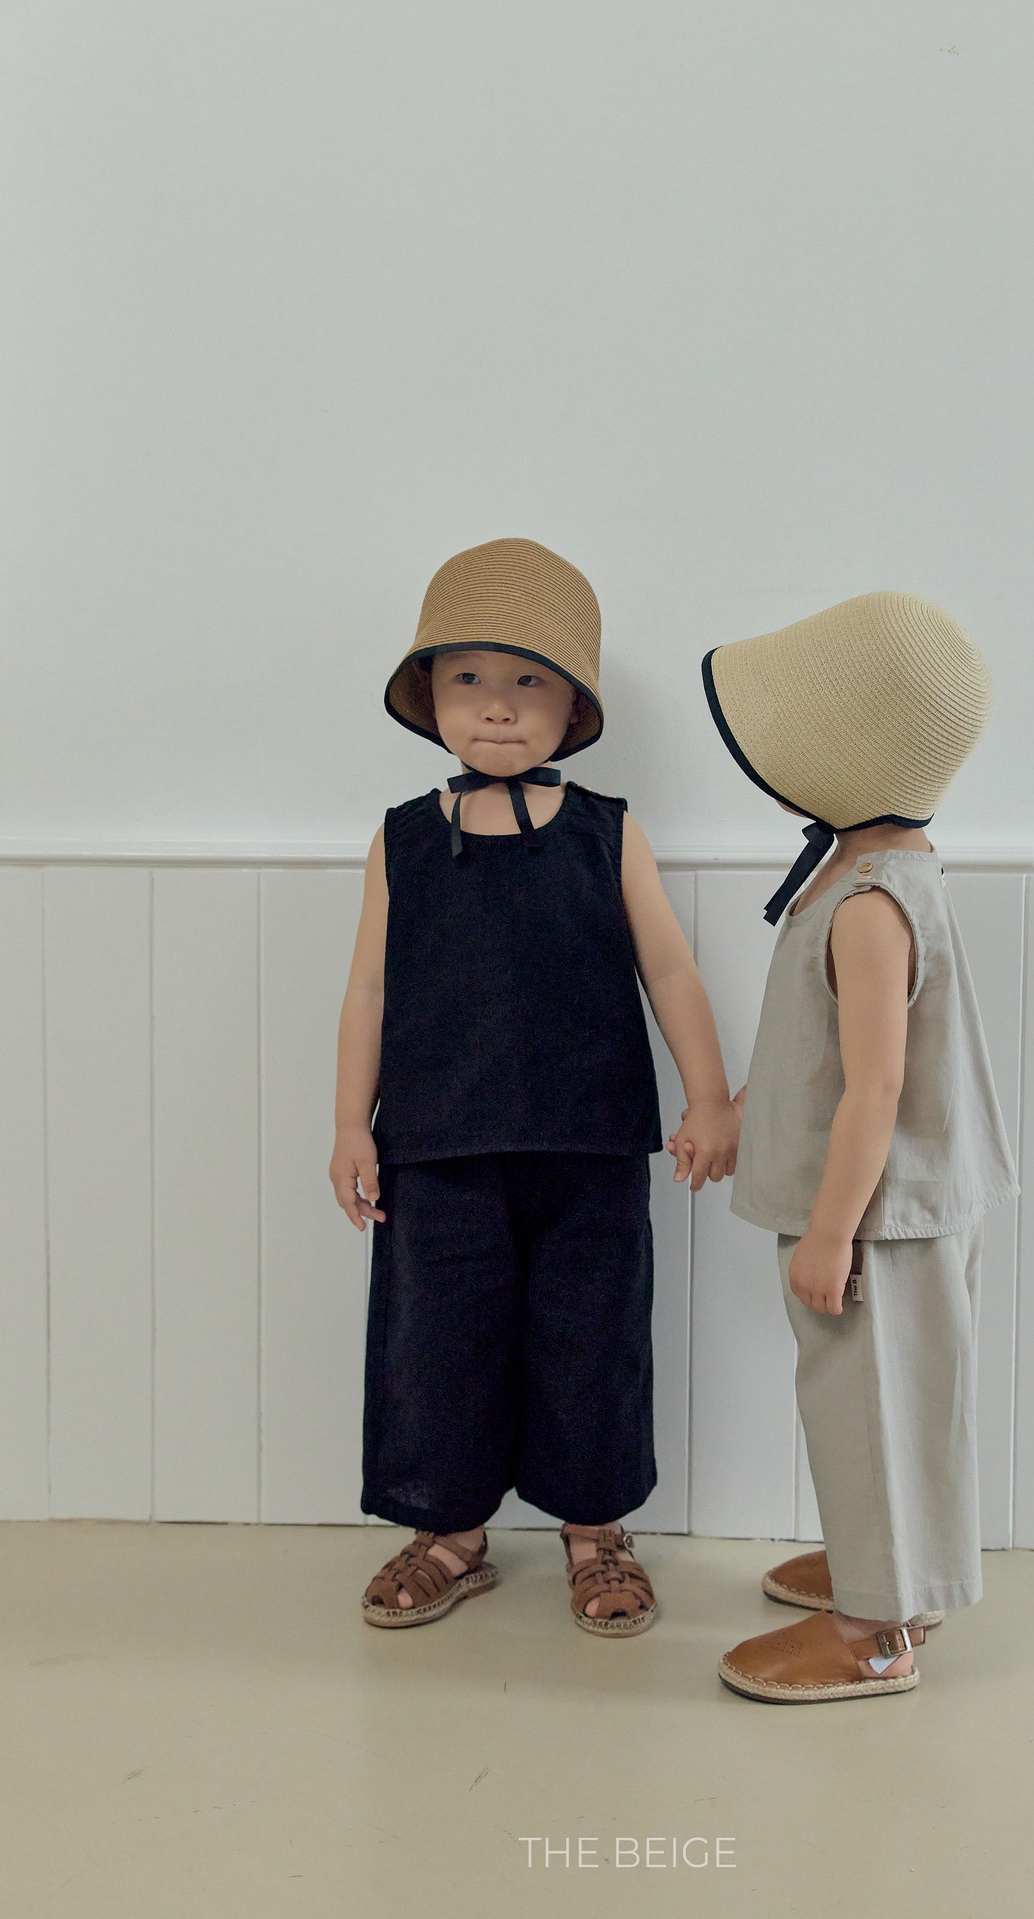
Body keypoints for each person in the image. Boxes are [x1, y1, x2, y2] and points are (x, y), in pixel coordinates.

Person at [330, 537, 740, 1637]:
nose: (499, 705)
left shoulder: (607, 832)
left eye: (529, 680)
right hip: (436, 1145)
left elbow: (669, 968)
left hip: (589, 1144)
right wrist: (349, 1126)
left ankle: (595, 1531)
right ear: (429, 694)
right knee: (438, 1345)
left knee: (590, 1340)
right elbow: (368, 987)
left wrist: (708, 1097)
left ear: (573, 706)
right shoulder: (402, 840)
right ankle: (450, 1534)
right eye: (468, 675)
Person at [677, 589, 1018, 1701]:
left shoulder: (870, 902)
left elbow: (875, 1084)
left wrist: (830, 1233)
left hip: (871, 1217)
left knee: (868, 1403)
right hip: (890, 1201)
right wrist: (740, 1109)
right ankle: (891, 1565)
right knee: (887, 1404)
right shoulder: (865, 870)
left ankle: (874, 1629)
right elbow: (816, 1049)